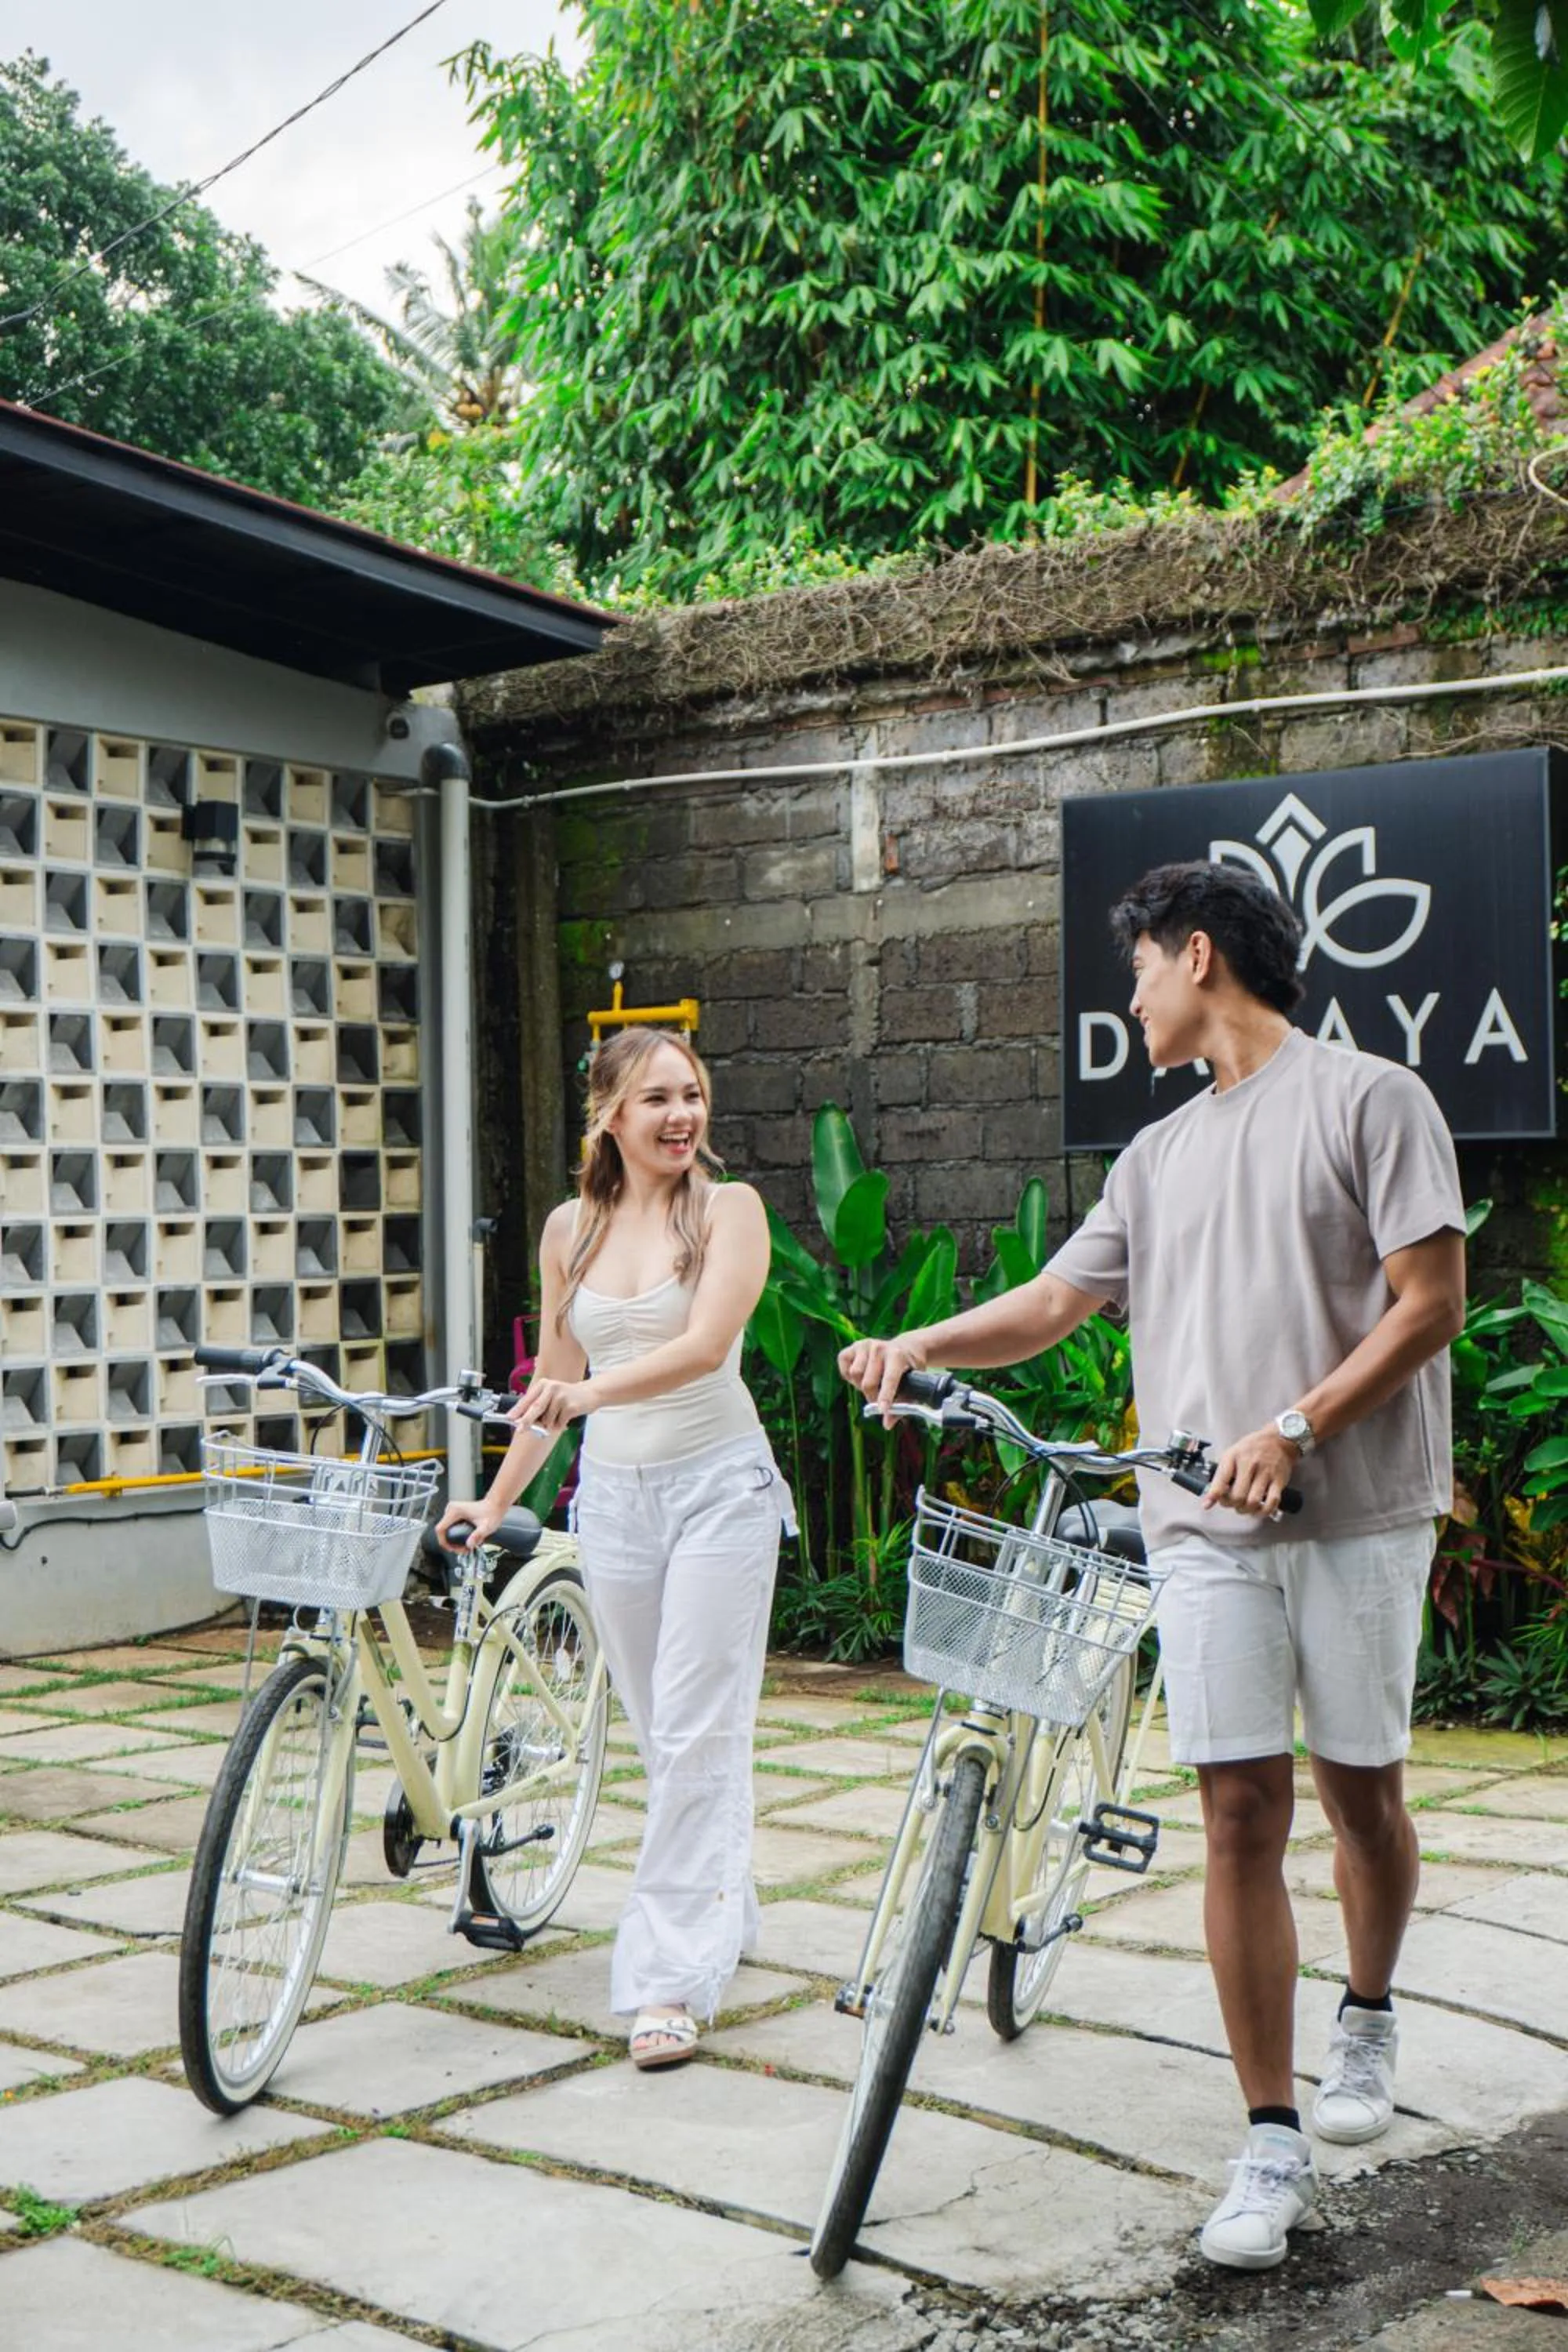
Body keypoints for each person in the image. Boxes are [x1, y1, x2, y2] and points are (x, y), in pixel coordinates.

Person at [840, 860, 1465, 2271]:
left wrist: (1296, 1422)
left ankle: (1367, 2013)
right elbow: (1059, 1302)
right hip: (1201, 1527)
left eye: (1137, 972)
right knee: (1240, 1810)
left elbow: (1432, 1304)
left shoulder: (1374, 1100)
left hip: (1358, 1510)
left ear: (1198, 957)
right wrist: (923, 1345)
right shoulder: (1155, 1157)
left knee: (1362, 1797)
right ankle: (1267, 2138)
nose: (1126, 1001)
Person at [437, 1026, 791, 2070]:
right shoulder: (569, 1232)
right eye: (658, 1101)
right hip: (618, 1504)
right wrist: (497, 1497)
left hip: (720, 1488)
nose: (683, 1117)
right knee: (665, 1729)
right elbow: (550, 1388)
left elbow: (703, 1347)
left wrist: (587, 1390)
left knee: (691, 1727)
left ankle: (667, 1980)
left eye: (694, 1094)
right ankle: (726, 1899)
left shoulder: (729, 1211)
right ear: (610, 1115)